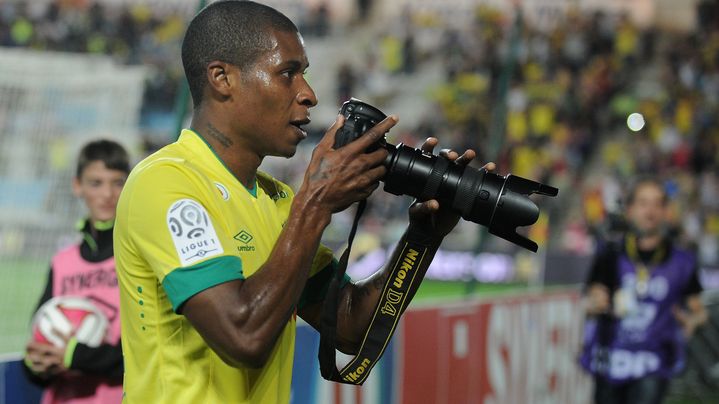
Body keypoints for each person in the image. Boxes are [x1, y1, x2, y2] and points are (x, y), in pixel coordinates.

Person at [113, 1, 487, 403]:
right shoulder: (167, 183)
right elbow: (242, 336)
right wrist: (315, 204)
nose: (308, 95)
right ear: (222, 78)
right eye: (287, 73)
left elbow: (347, 325)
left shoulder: (276, 199)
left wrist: (422, 236)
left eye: (304, 75)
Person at [580, 177, 708, 404]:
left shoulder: (682, 261)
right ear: (630, 210)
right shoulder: (611, 253)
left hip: (653, 363)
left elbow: (698, 310)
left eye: (657, 204)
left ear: (666, 211)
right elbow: (593, 296)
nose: (650, 211)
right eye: (643, 203)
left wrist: (691, 321)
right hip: (611, 360)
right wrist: (594, 303)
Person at [24, 139, 130, 403]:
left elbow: (147, 349)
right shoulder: (62, 262)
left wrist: (75, 356)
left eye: (118, 182)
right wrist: (37, 365)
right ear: (77, 186)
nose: (107, 194)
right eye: (96, 183)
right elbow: (40, 336)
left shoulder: (138, 255)